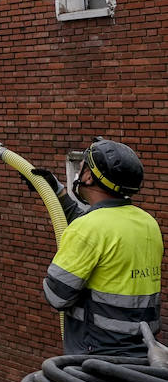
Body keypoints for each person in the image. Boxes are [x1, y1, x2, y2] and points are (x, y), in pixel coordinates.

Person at [41, 139, 162, 356]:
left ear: (89, 176)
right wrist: (57, 190)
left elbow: (56, 295)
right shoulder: (147, 223)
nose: (79, 171)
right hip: (142, 353)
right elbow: (102, 228)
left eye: (82, 167)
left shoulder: (86, 228)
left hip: (96, 357)